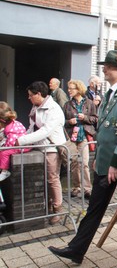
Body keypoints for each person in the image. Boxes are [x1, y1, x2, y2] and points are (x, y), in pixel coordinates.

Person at [48, 50, 117, 264]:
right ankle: (77, 249)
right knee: (95, 207)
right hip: (107, 162)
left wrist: (116, 162)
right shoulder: (110, 94)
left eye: (109, 66)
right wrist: (100, 157)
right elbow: (105, 129)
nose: (104, 68)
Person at [16, 81, 66, 225]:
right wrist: (24, 138)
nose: (29, 98)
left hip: (51, 148)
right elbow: (32, 127)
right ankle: (49, 207)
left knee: (52, 179)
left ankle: (57, 209)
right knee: (45, 179)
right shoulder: (36, 106)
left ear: (39, 94)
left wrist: (22, 140)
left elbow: (45, 131)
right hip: (39, 147)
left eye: (31, 95)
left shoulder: (54, 109)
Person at [63, 79, 98, 198]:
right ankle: (76, 187)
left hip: (83, 137)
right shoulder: (67, 104)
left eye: (71, 88)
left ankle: (87, 189)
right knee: (73, 163)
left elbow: (95, 119)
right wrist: (69, 121)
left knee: (84, 163)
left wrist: (85, 118)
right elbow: (62, 121)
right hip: (72, 137)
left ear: (78, 89)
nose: (69, 91)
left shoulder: (89, 103)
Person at [0, 102, 31, 181]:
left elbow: (10, 144)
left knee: (4, 153)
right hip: (24, 144)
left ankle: (4, 171)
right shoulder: (14, 123)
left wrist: (2, 147)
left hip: (21, 146)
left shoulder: (8, 129)